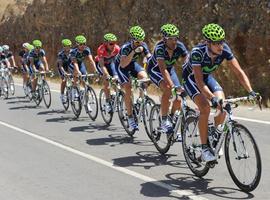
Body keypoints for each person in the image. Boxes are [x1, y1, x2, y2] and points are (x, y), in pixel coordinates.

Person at [182, 23, 259, 162]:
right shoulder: (197, 53)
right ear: (208, 43)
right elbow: (199, 82)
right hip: (191, 79)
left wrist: (251, 91)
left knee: (222, 106)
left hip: (207, 78)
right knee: (205, 107)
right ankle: (205, 148)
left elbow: (239, 72)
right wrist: (211, 98)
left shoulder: (224, 50)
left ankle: (214, 135)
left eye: (222, 41)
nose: (221, 46)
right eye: (216, 43)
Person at [147, 23, 188, 133]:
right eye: (171, 39)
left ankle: (171, 120)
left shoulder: (180, 46)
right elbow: (162, 69)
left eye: (176, 38)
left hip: (169, 70)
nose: (174, 41)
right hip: (155, 70)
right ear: (164, 39)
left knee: (178, 100)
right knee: (169, 89)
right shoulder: (160, 48)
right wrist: (174, 86)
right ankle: (164, 121)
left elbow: (188, 63)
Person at [115, 25, 151, 131]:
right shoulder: (126, 48)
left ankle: (140, 100)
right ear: (132, 40)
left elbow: (149, 58)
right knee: (128, 87)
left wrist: (150, 62)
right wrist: (134, 52)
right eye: (137, 42)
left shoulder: (143, 45)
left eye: (141, 41)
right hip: (122, 66)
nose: (139, 43)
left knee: (145, 78)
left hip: (132, 64)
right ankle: (130, 117)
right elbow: (123, 64)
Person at [95, 33, 120, 112]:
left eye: (114, 43)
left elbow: (119, 63)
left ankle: (118, 97)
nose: (113, 45)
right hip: (101, 65)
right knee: (106, 81)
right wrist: (107, 75)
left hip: (110, 63)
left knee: (116, 79)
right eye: (111, 43)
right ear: (105, 43)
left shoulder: (117, 49)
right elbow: (102, 65)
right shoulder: (101, 49)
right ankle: (108, 102)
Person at [57, 39, 72, 103]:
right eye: (65, 46)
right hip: (62, 67)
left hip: (69, 66)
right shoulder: (61, 54)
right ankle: (62, 95)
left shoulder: (73, 52)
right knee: (64, 80)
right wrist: (64, 73)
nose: (67, 47)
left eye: (68, 46)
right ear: (63, 47)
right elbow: (60, 66)